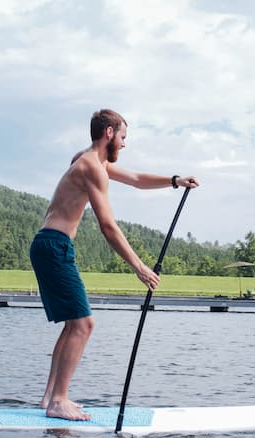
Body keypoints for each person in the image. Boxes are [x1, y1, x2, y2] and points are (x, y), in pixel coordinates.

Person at [29, 109, 200, 420]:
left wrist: (174, 181)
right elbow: (107, 225)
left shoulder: (88, 160)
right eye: (123, 137)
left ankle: (50, 398)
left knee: (73, 325)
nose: (124, 144)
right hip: (54, 246)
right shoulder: (90, 166)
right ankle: (58, 401)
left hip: (50, 245)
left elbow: (135, 179)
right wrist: (139, 266)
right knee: (84, 325)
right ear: (109, 133)